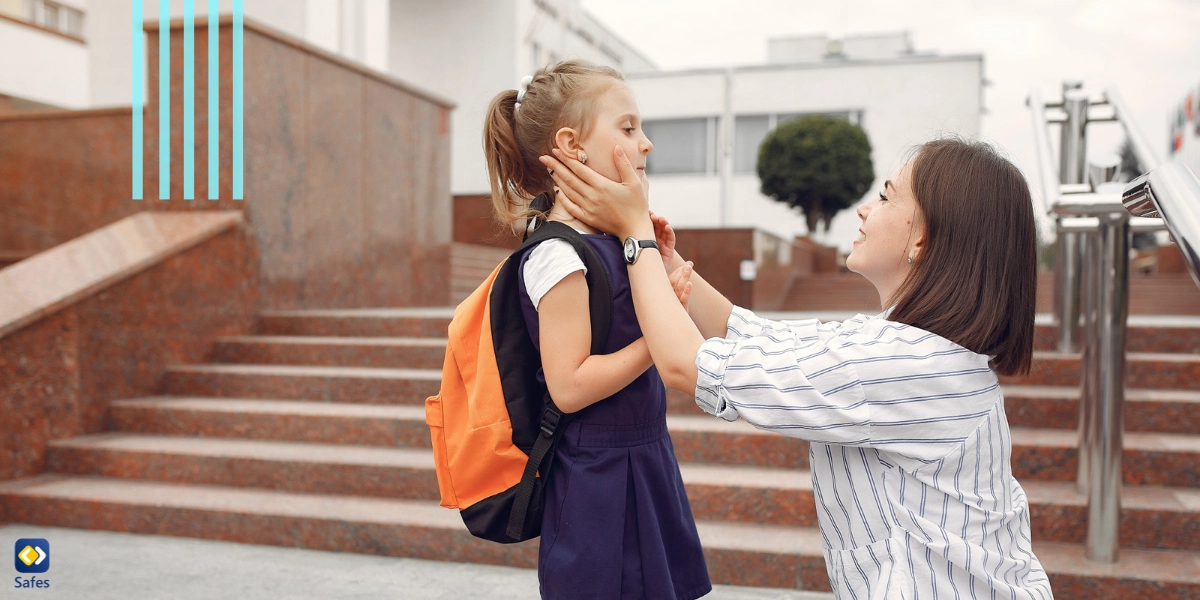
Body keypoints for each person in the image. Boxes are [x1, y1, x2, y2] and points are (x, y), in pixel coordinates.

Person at [540, 138, 1054, 599]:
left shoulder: (897, 365)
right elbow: (755, 336)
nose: (863, 210)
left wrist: (634, 238)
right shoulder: (910, 350)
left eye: (886, 197)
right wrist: (670, 263)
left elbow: (686, 365)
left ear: (922, 239)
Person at [482, 59, 711, 600]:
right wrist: (658, 342)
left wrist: (657, 255)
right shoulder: (558, 255)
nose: (646, 143)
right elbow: (570, 384)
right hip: (596, 481)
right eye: (628, 128)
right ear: (572, 143)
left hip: (645, 458)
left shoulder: (619, 238)